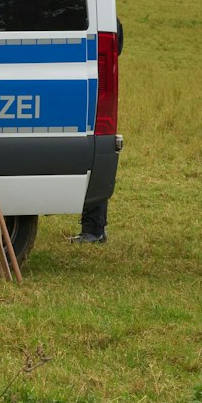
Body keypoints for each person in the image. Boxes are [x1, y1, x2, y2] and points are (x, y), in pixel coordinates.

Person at [70, 19, 124, 244]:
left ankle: (93, 228)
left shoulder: (103, 19)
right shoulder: (105, 18)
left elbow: (113, 48)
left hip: (89, 88)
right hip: (86, 85)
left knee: (93, 156)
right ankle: (93, 228)